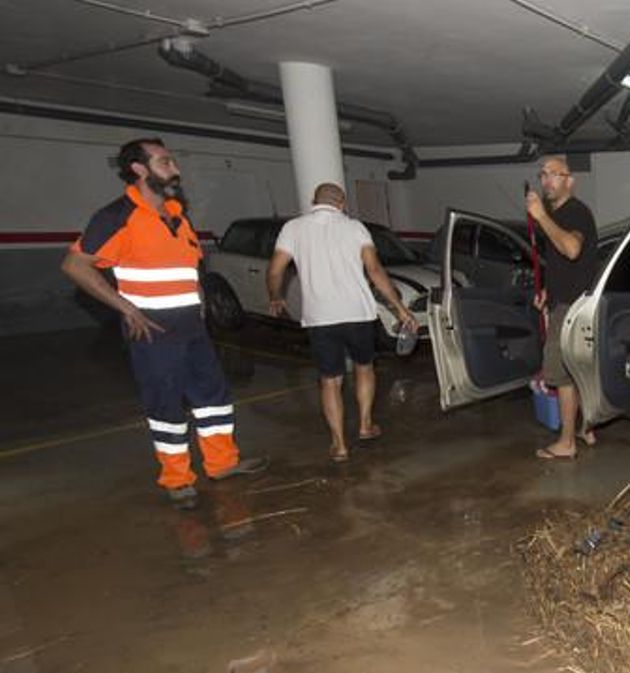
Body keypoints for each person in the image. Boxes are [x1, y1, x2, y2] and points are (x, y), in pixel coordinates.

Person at [61, 137, 267, 510]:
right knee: (165, 403)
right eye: (166, 162)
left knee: (213, 398)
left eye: (172, 162)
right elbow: (75, 265)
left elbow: (190, 266)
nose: (175, 169)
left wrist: (201, 303)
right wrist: (126, 308)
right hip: (154, 330)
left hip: (192, 326)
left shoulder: (176, 214)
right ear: (139, 169)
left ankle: (222, 464)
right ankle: (177, 479)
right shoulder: (116, 216)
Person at [266, 182, 418, 463]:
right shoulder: (356, 228)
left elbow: (275, 270)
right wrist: (399, 309)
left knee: (330, 381)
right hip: (358, 313)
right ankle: (365, 425)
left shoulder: (293, 228)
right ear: (343, 203)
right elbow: (374, 270)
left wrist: (275, 296)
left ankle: (338, 444)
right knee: (364, 368)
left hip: (321, 317)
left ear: (314, 201)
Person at [525, 155, 600, 460]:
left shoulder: (574, 211)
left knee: (561, 375)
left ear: (570, 180)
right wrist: (546, 290)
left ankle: (567, 442)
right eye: (542, 175)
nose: (546, 181)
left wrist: (541, 217)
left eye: (554, 175)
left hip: (570, 309)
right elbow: (567, 264)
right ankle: (585, 428)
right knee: (578, 370)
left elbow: (571, 249)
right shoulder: (560, 215)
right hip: (567, 300)